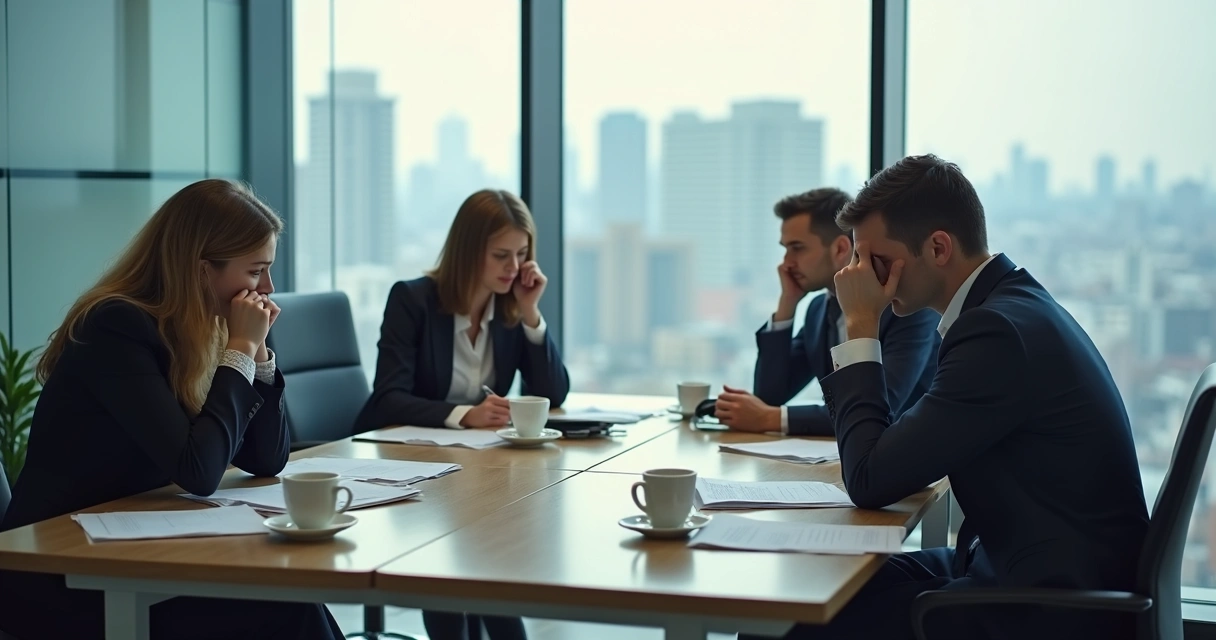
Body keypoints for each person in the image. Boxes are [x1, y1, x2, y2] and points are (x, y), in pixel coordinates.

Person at [745, 155, 1149, 640]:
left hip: (1045, 607)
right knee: (796, 598)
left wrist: (859, 326)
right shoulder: (1011, 306)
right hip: (1012, 568)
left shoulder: (994, 333)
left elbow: (871, 478)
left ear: (937, 247)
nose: (860, 279)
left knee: (784, 624)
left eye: (873, 261)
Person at [0, 179, 345, 639]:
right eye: (256, 271)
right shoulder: (116, 326)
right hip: (62, 569)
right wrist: (241, 347)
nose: (268, 287)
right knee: (288, 611)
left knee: (293, 603)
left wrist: (258, 355)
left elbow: (265, 460)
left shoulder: (205, 327)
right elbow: (197, 471)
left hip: (140, 548)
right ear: (202, 270)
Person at [355, 188, 569, 640]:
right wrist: (462, 415)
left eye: (521, 255)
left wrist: (531, 314)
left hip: (482, 475)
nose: (513, 268)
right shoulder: (412, 301)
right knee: (461, 578)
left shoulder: (511, 309)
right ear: (469, 251)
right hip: (415, 476)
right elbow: (386, 400)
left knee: (492, 577)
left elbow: (552, 393)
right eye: (501, 255)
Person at [715, 188, 938, 436]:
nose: (785, 263)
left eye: (797, 248)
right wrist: (787, 303)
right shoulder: (818, 311)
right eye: (785, 249)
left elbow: (883, 409)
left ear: (841, 249)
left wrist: (770, 418)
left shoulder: (906, 309)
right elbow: (770, 395)